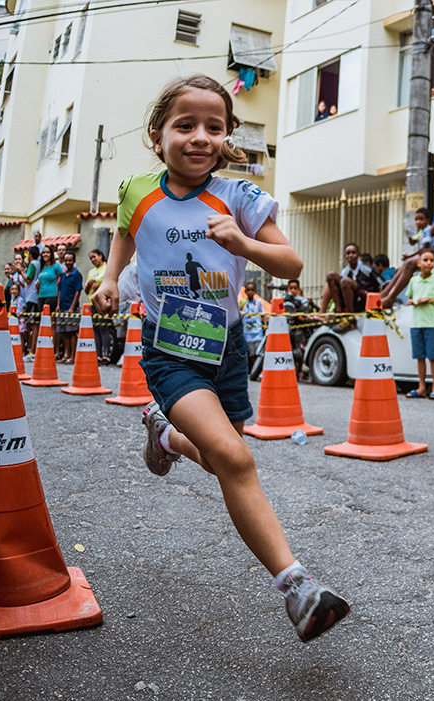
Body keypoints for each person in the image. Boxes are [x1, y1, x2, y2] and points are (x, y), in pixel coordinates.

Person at [91, 74, 349, 642]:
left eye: (215, 126)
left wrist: (244, 244)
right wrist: (111, 279)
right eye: (185, 125)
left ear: (228, 136)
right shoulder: (138, 190)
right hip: (168, 350)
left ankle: (163, 435)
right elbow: (125, 235)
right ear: (158, 135)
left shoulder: (241, 198)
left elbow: (291, 264)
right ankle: (298, 589)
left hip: (226, 348)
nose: (200, 137)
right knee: (235, 459)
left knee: (218, 458)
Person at [404, 249, 434, 399]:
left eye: (432, 260)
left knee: (433, 356)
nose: (429, 263)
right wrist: (411, 301)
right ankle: (421, 387)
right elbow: (409, 298)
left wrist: (429, 299)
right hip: (416, 324)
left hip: (431, 323)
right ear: (418, 263)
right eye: (426, 260)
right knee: (419, 356)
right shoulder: (414, 280)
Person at [320, 242, 381, 318]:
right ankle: (338, 311)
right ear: (345, 256)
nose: (350, 255)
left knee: (345, 281)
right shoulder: (344, 272)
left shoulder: (367, 269)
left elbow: (381, 284)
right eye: (348, 253)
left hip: (364, 299)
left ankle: (350, 315)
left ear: (358, 254)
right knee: (331, 275)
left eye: (353, 253)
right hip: (350, 299)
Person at [283, 279, 317, 378]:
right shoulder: (285, 301)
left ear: (298, 289)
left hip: (299, 331)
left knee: (299, 353)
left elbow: (306, 314)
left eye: (295, 288)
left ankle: (296, 375)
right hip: (287, 330)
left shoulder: (302, 301)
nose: (293, 290)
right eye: (291, 288)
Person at [85, 249, 113, 363]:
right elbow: (87, 290)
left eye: (94, 257)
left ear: (101, 256)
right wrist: (91, 285)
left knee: (104, 328)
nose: (93, 259)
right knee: (95, 329)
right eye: (91, 258)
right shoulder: (91, 272)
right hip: (92, 303)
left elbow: (106, 285)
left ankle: (106, 355)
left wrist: (95, 285)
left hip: (103, 302)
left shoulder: (107, 268)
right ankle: (98, 355)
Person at [56, 252, 83, 364]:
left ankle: (72, 356)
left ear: (74, 261)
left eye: (70, 260)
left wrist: (72, 307)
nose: (68, 263)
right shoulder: (63, 275)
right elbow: (60, 291)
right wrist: (58, 305)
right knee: (64, 333)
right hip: (62, 307)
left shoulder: (77, 274)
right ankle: (66, 354)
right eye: (66, 261)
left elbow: (78, 292)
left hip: (71, 308)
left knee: (72, 332)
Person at [35, 246, 62, 357]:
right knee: (43, 324)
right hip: (41, 296)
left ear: (51, 254)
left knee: (52, 324)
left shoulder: (55, 267)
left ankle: (55, 351)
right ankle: (44, 348)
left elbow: (62, 279)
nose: (45, 254)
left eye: (47, 252)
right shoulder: (42, 268)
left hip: (52, 296)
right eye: (44, 252)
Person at [239, 281, 266, 381]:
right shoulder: (243, 303)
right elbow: (240, 315)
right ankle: (254, 371)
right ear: (245, 291)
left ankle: (259, 371)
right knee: (251, 354)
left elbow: (262, 314)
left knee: (258, 352)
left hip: (257, 332)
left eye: (252, 290)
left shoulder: (258, 302)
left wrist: (265, 325)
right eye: (248, 290)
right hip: (248, 333)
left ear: (256, 291)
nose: (250, 292)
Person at [22, 246, 41, 358]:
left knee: (33, 325)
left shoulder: (34, 263)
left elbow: (28, 279)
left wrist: (21, 272)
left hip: (32, 296)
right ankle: (30, 350)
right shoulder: (35, 264)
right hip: (30, 296)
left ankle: (32, 351)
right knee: (29, 324)